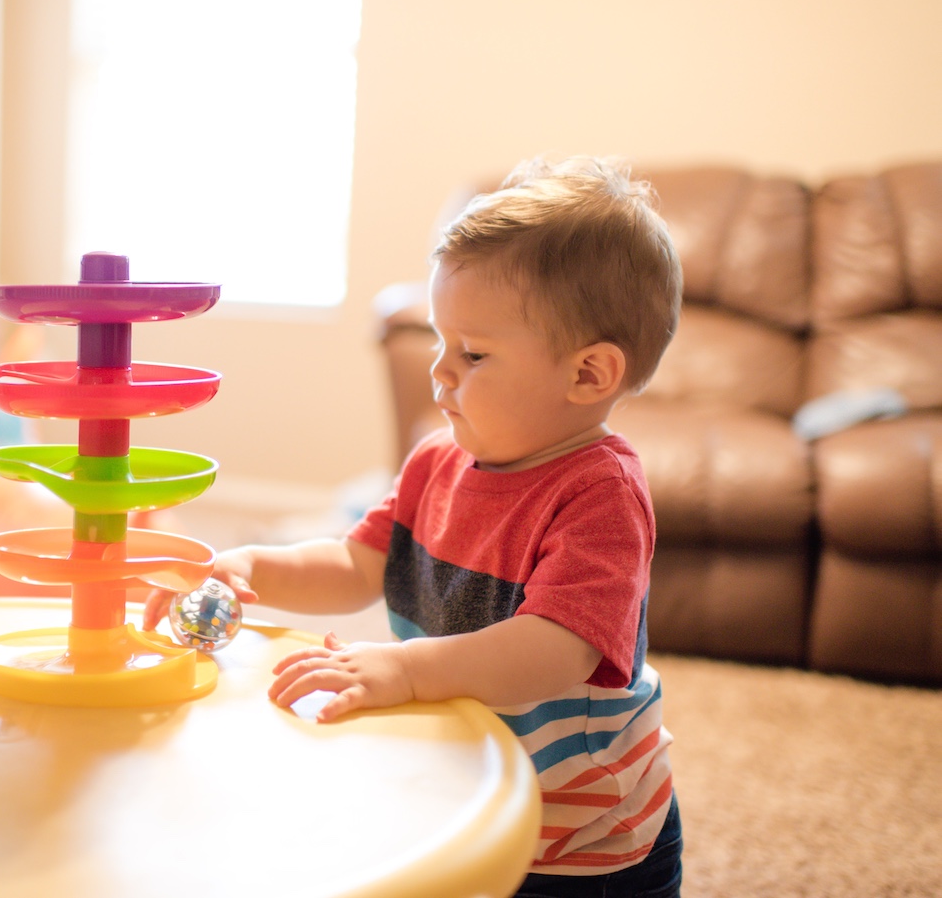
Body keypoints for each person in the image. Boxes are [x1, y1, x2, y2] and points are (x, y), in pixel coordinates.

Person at [144, 156, 684, 896]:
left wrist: (404, 667)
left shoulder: (601, 494)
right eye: (439, 340)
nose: (440, 372)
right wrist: (255, 567)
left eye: (473, 352)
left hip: (580, 837)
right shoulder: (436, 458)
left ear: (589, 374)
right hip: (466, 783)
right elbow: (356, 563)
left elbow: (552, 650)